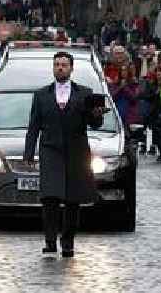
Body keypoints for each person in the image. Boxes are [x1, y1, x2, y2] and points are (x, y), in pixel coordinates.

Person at [23, 52, 105, 258]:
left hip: (76, 152)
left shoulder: (85, 93)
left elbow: (94, 124)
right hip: (50, 150)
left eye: (64, 65)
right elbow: (33, 126)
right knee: (49, 198)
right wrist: (28, 154)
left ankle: (68, 241)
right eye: (57, 64)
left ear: (71, 68)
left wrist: (96, 115)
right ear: (53, 68)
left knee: (72, 200)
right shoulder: (41, 95)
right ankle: (50, 241)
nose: (60, 68)